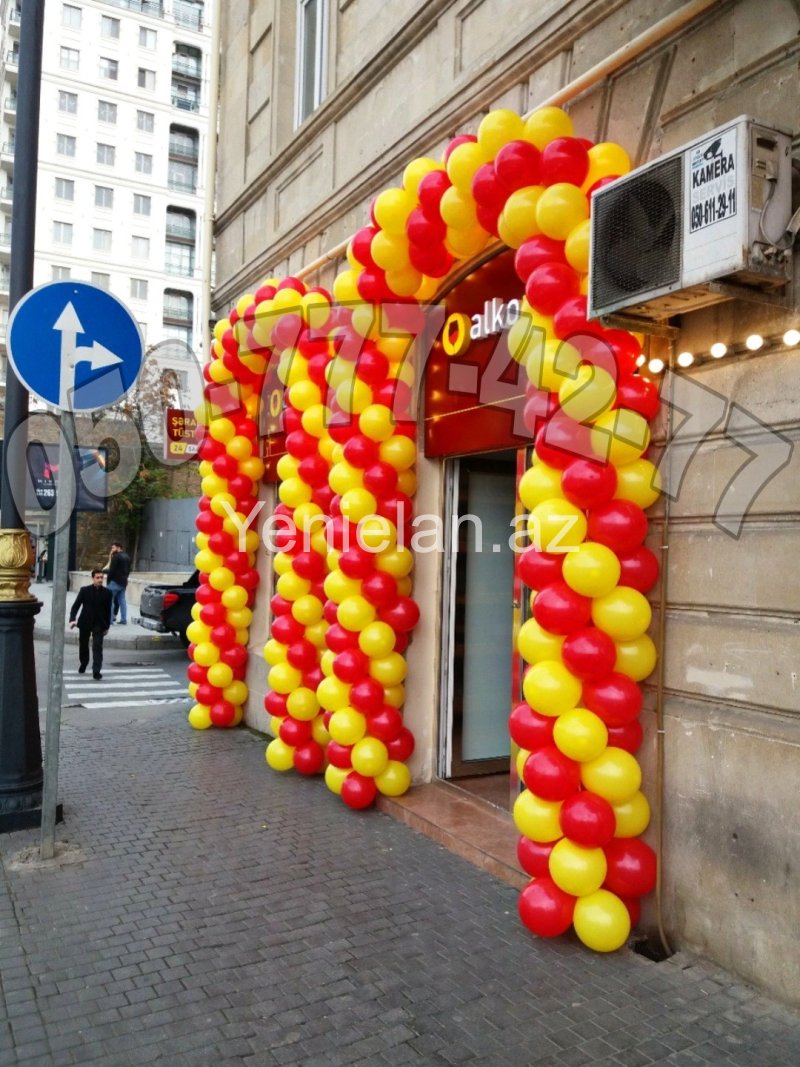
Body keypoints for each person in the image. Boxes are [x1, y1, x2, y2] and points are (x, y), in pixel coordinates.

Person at [69, 569, 112, 680]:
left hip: (99, 623)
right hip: (85, 622)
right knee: (83, 645)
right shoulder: (84, 591)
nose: (100, 580)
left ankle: (96, 671)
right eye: (97, 577)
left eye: (101, 577)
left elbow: (108, 610)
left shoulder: (108, 593)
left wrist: (107, 626)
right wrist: (72, 619)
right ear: (92, 578)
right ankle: (84, 663)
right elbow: (75, 606)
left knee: (97, 647)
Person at [105, 541, 131, 625]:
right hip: (123, 582)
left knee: (109, 600)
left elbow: (111, 571)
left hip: (114, 582)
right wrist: (125, 579)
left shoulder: (116, 557)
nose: (112, 550)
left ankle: (110, 620)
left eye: (113, 548)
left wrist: (108, 581)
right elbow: (128, 570)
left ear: (118, 548)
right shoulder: (127, 557)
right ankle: (123, 619)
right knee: (122, 601)